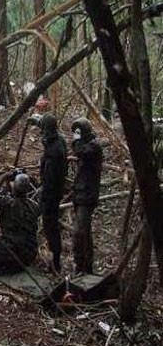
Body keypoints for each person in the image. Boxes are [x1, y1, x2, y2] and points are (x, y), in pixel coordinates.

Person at [0, 169, 40, 276]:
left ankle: (6, 271)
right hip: (30, 254)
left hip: (13, 251)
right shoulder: (34, 206)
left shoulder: (8, 204)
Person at [32, 112, 68, 273]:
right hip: (53, 192)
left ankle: (55, 264)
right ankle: (54, 261)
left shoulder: (54, 150)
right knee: (50, 227)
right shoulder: (58, 141)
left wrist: (43, 192)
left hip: (51, 195)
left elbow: (50, 177)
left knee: (50, 228)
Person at [70, 117, 103, 274]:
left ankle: (81, 266)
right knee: (85, 233)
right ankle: (85, 267)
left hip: (87, 196)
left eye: (79, 132)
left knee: (79, 233)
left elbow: (80, 151)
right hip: (80, 195)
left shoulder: (94, 146)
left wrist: (76, 140)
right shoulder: (88, 144)